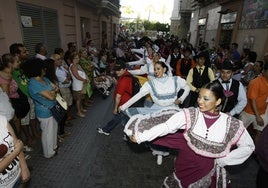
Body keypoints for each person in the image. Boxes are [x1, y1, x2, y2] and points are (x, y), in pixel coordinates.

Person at [125, 80, 255, 187]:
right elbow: (166, 126)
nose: (200, 101)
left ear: (218, 101)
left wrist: (224, 160)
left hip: (208, 170)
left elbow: (249, 146)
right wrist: (141, 137)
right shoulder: (191, 114)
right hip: (185, 164)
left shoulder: (230, 123)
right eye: (199, 97)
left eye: (206, 98)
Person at [23, 58, 58, 159]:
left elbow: (55, 88)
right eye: (43, 68)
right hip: (44, 111)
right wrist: (52, 92)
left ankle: (53, 147)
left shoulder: (45, 79)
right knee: (47, 133)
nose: (45, 69)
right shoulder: (33, 83)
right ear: (37, 69)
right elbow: (52, 95)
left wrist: (51, 93)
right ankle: (48, 153)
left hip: (53, 108)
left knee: (53, 129)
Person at [97, 60, 132, 136]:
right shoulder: (125, 75)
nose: (117, 72)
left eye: (119, 70)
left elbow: (118, 96)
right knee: (124, 119)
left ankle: (106, 130)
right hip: (127, 102)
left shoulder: (124, 79)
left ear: (124, 69)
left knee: (118, 118)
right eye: (116, 70)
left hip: (123, 103)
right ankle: (127, 134)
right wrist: (116, 82)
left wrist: (115, 108)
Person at [239, 62, 268, 143]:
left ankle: (255, 151)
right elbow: (252, 100)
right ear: (264, 71)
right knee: (238, 132)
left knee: (260, 133)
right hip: (249, 112)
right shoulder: (255, 82)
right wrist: (258, 116)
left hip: (262, 112)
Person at [0, 115, 30, 187]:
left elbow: (17, 142)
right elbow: (18, 148)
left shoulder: (2, 119)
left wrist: (24, 167)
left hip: (18, 176)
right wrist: (16, 151)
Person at [69, 52, 89, 118]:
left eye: (78, 58)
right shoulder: (72, 66)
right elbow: (77, 76)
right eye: (76, 58)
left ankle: (81, 108)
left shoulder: (78, 65)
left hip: (82, 84)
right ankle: (79, 112)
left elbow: (83, 72)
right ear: (72, 59)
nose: (77, 59)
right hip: (77, 85)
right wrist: (84, 80)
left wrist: (86, 78)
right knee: (78, 99)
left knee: (81, 98)